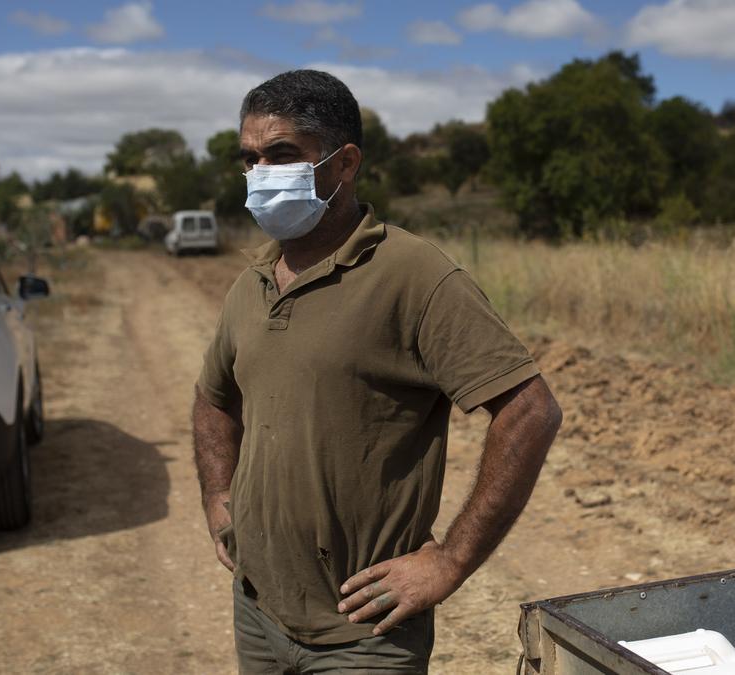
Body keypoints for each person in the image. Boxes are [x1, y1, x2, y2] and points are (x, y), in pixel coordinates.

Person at [192, 69, 563, 674]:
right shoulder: (251, 282)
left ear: (344, 164)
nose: (261, 173)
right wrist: (217, 496)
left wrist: (449, 561)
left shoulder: (413, 276)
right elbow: (214, 399)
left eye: (281, 154)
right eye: (250, 159)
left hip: (364, 635)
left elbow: (530, 411)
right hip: (258, 612)